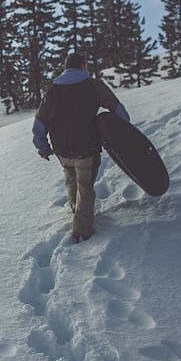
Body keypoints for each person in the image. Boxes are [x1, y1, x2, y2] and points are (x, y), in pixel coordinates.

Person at [32, 53, 130, 243]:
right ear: (83, 66)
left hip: (61, 150)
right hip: (85, 148)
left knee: (71, 178)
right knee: (85, 186)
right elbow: (119, 111)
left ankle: (75, 208)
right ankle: (82, 231)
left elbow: (39, 122)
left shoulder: (52, 91)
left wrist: (42, 146)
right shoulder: (94, 85)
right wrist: (122, 132)